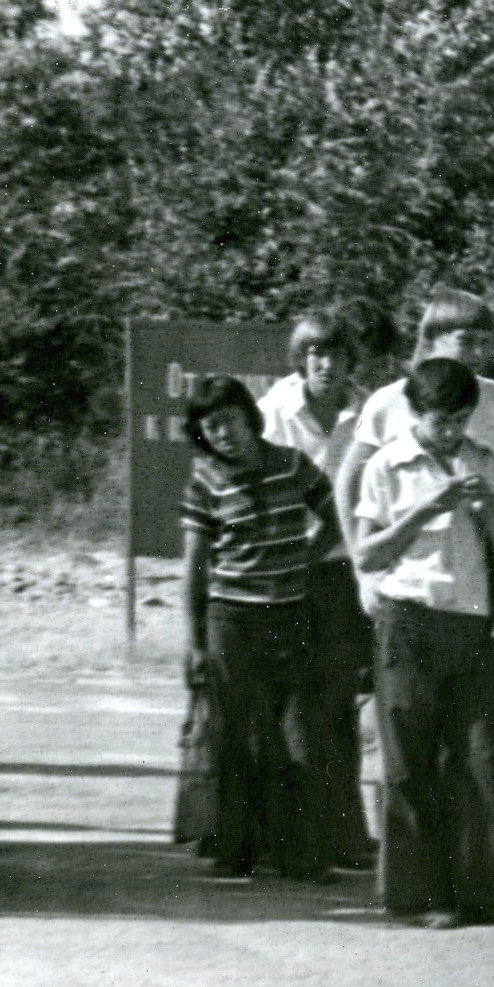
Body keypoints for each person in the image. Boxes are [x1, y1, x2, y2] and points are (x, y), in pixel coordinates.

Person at [348, 357, 494, 928]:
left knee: (478, 757)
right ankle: (419, 895)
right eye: (439, 422)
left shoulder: (487, 461)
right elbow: (368, 554)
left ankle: (480, 890)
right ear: (415, 415)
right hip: (409, 617)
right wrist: (427, 509)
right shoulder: (387, 466)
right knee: (408, 759)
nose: (450, 433)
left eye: (460, 421)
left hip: (469, 621)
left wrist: (482, 509)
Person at [176, 375, 344, 882]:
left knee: (296, 734)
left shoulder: (293, 465)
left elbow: (337, 521)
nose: (223, 434)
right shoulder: (205, 481)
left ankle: (299, 854)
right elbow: (194, 568)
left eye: (229, 421)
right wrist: (194, 642)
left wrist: (306, 562)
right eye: (211, 427)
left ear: (250, 417)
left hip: (291, 616)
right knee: (234, 734)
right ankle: (235, 850)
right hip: (231, 620)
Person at [259, 308, 378, 872]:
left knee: (339, 704)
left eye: (335, 355)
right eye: (314, 355)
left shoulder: (369, 411)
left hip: (346, 572)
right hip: (285, 571)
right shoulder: (273, 412)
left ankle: (346, 830)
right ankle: (298, 835)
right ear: (300, 360)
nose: (326, 365)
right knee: (295, 706)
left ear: (352, 360)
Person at [335, 288, 494, 530]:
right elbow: (347, 484)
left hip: (486, 550)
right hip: (413, 552)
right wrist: (360, 557)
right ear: (433, 338)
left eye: (485, 342)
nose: (478, 353)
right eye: (465, 341)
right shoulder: (385, 401)